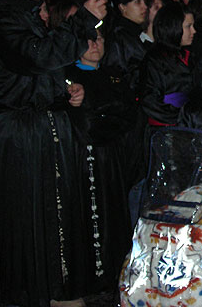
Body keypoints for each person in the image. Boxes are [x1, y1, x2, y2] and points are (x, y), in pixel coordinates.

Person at [0, 0, 107, 306]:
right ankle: (48, 291)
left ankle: (59, 287)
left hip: (43, 124)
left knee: (59, 210)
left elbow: (38, 67)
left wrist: (64, 89)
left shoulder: (23, 16)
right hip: (26, 133)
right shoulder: (6, 17)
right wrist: (82, 20)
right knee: (40, 213)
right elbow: (35, 55)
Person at [65, 30, 137, 298]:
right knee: (95, 217)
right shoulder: (70, 77)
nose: (95, 45)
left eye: (100, 39)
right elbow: (86, 123)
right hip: (88, 159)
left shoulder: (113, 74)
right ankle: (95, 281)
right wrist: (107, 119)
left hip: (115, 158)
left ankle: (116, 274)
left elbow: (129, 113)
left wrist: (109, 119)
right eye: (89, 40)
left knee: (116, 214)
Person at [139, 3, 195, 127]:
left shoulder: (187, 54)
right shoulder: (154, 59)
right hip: (165, 129)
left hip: (187, 124)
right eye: (188, 26)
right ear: (173, 28)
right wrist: (183, 117)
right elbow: (150, 101)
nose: (194, 31)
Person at [102, 0, 148, 91]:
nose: (144, 7)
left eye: (144, 1)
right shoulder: (119, 37)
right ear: (122, 7)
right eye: (137, 2)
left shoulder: (135, 33)